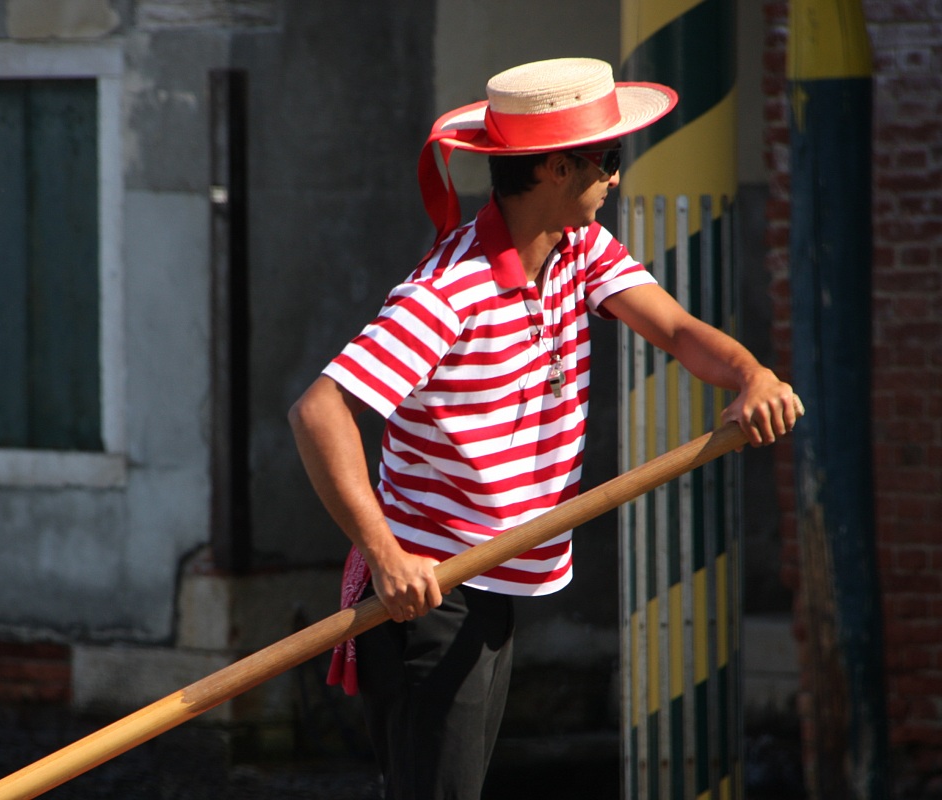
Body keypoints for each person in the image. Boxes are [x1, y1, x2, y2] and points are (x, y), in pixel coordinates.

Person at [288, 58, 803, 800]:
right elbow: (318, 410)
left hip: (492, 575)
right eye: (608, 159)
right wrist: (387, 556)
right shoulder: (448, 291)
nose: (616, 178)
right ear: (559, 169)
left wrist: (752, 376)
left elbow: (678, 331)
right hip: (429, 587)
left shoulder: (578, 251)